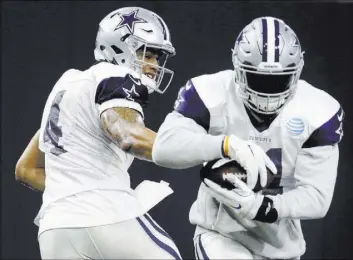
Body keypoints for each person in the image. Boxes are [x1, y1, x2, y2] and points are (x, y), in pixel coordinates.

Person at [152, 16, 344, 259]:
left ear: (297, 72)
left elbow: (317, 198)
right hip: (220, 234)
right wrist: (226, 145)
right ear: (237, 67)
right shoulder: (211, 92)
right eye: (259, 79)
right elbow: (163, 149)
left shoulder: (317, 110)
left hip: (281, 243)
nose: (267, 92)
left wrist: (260, 206)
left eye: (278, 80)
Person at [15, 7, 182, 259]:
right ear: (120, 48)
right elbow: (129, 136)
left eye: (158, 58)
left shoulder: (68, 87)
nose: (154, 65)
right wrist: (205, 150)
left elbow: (26, 169)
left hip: (55, 231)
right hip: (106, 217)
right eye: (148, 54)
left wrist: (78, 191)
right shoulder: (115, 74)